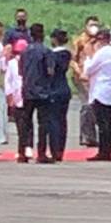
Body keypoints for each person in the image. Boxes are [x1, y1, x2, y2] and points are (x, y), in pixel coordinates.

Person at [83, 28, 111, 161]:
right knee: (110, 122)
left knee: (103, 123)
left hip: (101, 91)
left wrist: (88, 56)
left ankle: (104, 151)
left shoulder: (102, 53)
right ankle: (108, 149)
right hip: (110, 91)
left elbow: (89, 69)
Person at [20, 23, 51, 164]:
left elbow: (21, 71)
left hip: (27, 89)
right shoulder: (46, 51)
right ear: (42, 35)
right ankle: (41, 153)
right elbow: (50, 71)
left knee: (25, 122)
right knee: (43, 123)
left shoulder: (25, 52)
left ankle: (22, 152)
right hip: (42, 91)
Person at [71, 16, 100, 147]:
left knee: (94, 106)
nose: (94, 27)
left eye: (96, 24)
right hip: (81, 78)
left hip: (95, 78)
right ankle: (86, 136)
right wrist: (79, 72)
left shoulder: (99, 41)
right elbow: (73, 60)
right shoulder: (80, 41)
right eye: (91, 24)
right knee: (86, 105)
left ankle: (91, 135)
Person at [47, 29, 72, 162]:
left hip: (54, 90)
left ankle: (54, 150)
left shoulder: (52, 55)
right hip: (64, 89)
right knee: (62, 121)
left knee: (53, 121)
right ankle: (60, 150)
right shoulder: (67, 54)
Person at [5, 39, 30, 162]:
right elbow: (8, 81)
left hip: (29, 97)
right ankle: (22, 149)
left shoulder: (30, 63)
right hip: (17, 97)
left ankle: (27, 147)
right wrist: (9, 97)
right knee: (20, 125)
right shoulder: (11, 64)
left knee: (28, 124)